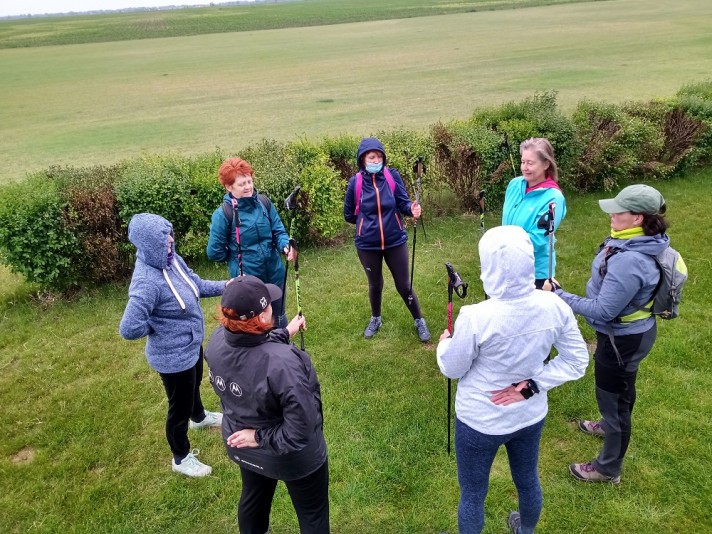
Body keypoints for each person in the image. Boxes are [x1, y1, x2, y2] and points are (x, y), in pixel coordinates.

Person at [436, 225, 588, 534]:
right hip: (528, 415)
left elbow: (452, 368)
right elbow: (577, 360)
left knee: (473, 494)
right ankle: (526, 530)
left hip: (480, 420)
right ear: (530, 261)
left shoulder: (476, 316)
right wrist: (532, 387)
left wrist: (444, 344)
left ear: (487, 267)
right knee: (528, 479)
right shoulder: (554, 305)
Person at [548, 184, 670, 484]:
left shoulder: (631, 260)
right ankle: (608, 424)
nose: (611, 215)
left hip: (622, 341)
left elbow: (603, 311)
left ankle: (607, 468)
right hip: (629, 335)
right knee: (621, 392)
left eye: (619, 211)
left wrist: (558, 295)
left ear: (638, 218)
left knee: (614, 400)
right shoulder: (637, 240)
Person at [205, 275, 329, 533]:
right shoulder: (285, 363)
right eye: (269, 304)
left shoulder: (217, 339)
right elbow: (302, 428)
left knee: (254, 497)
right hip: (291, 457)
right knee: (313, 515)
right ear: (262, 317)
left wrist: (285, 332)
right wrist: (259, 437)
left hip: (241, 444)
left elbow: (251, 348)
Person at [119, 213, 228, 478]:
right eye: (163, 238)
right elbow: (129, 328)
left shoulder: (171, 260)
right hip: (172, 357)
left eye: (169, 233)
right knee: (178, 408)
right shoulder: (147, 282)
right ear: (148, 244)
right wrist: (159, 329)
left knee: (194, 385)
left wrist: (227, 285)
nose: (170, 240)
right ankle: (181, 457)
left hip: (191, 344)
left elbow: (196, 285)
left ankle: (199, 417)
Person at [343, 137, 430, 342]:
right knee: (375, 285)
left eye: (379, 157)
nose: (376, 161)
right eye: (372, 157)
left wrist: (411, 209)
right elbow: (349, 215)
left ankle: (419, 320)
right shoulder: (355, 182)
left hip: (395, 241)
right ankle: (376, 319)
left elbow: (403, 203)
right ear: (362, 159)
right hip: (367, 245)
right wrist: (366, 224)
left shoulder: (392, 176)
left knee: (404, 285)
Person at [206, 157, 296, 328]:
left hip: (275, 272)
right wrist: (234, 256)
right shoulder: (223, 214)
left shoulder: (264, 202)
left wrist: (285, 245)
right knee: (256, 322)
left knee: (278, 314)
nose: (248, 187)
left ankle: (283, 343)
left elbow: (278, 230)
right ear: (229, 187)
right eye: (241, 184)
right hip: (249, 280)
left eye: (249, 181)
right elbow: (214, 252)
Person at [502, 138, 566, 289]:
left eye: (530, 163)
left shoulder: (553, 198)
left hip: (535, 273)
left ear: (546, 164)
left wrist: (501, 246)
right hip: (508, 264)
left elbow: (538, 239)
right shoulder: (514, 184)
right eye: (523, 162)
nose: (525, 167)